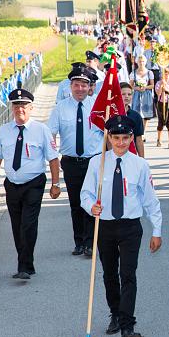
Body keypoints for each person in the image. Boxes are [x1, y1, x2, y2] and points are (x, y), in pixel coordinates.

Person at [80, 115, 162, 337]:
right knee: (109, 274)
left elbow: (150, 200)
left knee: (128, 274)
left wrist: (157, 230)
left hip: (130, 226)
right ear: (109, 138)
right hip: (104, 225)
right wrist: (91, 206)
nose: (121, 142)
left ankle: (127, 326)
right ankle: (115, 313)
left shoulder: (140, 165)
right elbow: (85, 194)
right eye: (116, 138)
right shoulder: (97, 162)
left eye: (125, 138)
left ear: (131, 139)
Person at [0, 88, 61, 279]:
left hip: (34, 184)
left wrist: (55, 184)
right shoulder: (4, 131)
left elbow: (53, 159)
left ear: (31, 108)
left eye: (24, 106)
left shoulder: (41, 130)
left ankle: (24, 266)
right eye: (17, 106)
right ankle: (25, 263)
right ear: (12, 108)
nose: (20, 109)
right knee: (17, 225)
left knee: (28, 224)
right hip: (12, 184)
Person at [48, 66, 103, 257]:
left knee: (91, 201)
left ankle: (90, 242)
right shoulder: (60, 108)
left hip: (93, 161)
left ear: (90, 87)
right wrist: (51, 157)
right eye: (77, 85)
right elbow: (50, 135)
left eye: (84, 85)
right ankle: (78, 241)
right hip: (71, 162)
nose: (80, 89)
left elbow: (109, 134)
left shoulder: (98, 106)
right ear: (70, 86)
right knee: (75, 203)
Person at [130, 55, 155, 137]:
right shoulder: (133, 73)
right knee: (137, 114)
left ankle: (142, 132)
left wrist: (145, 87)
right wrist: (136, 88)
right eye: (140, 61)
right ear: (137, 62)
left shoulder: (149, 72)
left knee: (145, 115)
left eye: (143, 61)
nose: (141, 63)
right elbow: (130, 86)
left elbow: (152, 85)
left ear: (145, 62)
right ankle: (137, 131)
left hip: (146, 94)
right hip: (137, 95)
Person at [119, 82, 145, 157]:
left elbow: (139, 139)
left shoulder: (136, 116)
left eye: (129, 94)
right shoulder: (111, 115)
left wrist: (142, 159)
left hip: (130, 155)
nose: (126, 96)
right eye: (123, 94)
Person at [154, 67, 169, 148]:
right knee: (161, 122)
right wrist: (161, 86)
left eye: (168, 75)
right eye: (165, 75)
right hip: (161, 103)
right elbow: (158, 93)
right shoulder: (158, 83)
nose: (166, 77)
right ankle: (159, 139)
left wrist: (167, 89)